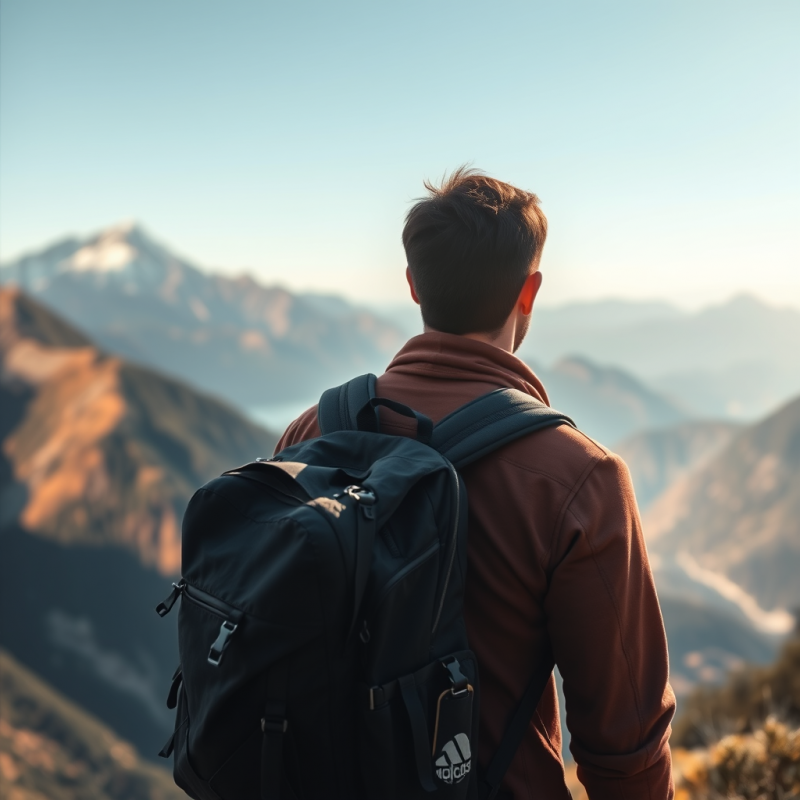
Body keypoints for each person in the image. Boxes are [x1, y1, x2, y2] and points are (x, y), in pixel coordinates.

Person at [275, 167, 676, 799]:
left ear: (413, 285)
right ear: (529, 292)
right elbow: (627, 746)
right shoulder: (577, 479)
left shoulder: (308, 434)